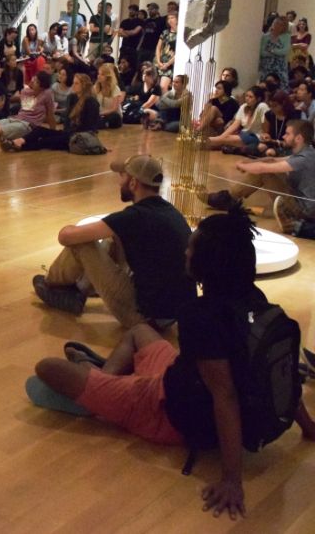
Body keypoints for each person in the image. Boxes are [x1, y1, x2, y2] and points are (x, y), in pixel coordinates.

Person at [31, 206, 315, 520]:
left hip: (167, 410)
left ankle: (103, 391)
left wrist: (232, 480)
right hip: (181, 376)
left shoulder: (202, 316)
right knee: (140, 330)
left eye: (192, 246)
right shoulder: (255, 299)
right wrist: (308, 426)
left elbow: (225, 396)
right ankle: (106, 380)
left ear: (207, 261)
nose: (186, 251)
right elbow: (279, 367)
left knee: (46, 368)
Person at [32, 154, 195, 327]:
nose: (119, 182)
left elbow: (65, 237)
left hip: (144, 317)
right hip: (171, 316)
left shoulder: (133, 217)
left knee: (81, 243)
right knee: (114, 239)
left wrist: (69, 228)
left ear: (133, 183)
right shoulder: (170, 212)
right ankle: (80, 289)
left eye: (122, 176)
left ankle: (52, 284)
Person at [203, 120, 315, 233]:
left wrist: (242, 165)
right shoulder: (308, 152)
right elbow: (272, 160)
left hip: (304, 212)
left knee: (265, 173)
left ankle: (227, 198)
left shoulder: (304, 159)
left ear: (299, 138)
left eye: (287, 134)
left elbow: (263, 169)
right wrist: (249, 163)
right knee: (267, 163)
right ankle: (228, 198)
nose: (283, 136)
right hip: (300, 202)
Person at [7, 72, 100, 152]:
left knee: (46, 141)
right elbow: (67, 121)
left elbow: (89, 127)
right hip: (69, 133)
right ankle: (19, 141)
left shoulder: (91, 102)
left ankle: (20, 147)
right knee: (39, 130)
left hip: (80, 137)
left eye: (76, 84)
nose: (73, 86)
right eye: (73, 83)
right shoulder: (73, 98)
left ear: (83, 86)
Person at [206, 86, 269, 152]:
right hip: (243, 134)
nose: (247, 98)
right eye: (246, 96)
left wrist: (221, 138)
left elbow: (266, 128)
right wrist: (222, 137)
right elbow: (235, 125)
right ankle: (202, 143)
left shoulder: (262, 106)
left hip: (256, 136)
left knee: (225, 139)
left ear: (258, 99)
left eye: (250, 97)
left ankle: (200, 142)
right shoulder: (244, 106)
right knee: (224, 139)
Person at [254, 90, 299, 156]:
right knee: (260, 147)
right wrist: (265, 136)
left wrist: (273, 141)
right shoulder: (269, 114)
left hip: (287, 145)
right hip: (271, 142)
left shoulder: (293, 116)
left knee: (269, 152)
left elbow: (291, 142)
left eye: (275, 106)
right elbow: (265, 132)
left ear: (283, 103)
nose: (272, 108)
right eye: (270, 106)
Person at [259, 15, 292, 82]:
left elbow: (284, 51)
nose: (277, 26)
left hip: (280, 67)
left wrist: (271, 50)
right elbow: (262, 52)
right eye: (275, 23)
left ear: (284, 27)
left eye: (280, 25)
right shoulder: (265, 37)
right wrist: (275, 54)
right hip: (266, 67)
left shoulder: (286, 36)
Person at [94, 63, 124, 129]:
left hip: (112, 114)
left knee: (113, 117)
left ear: (107, 77)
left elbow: (114, 108)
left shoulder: (115, 89)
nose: (99, 76)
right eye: (98, 74)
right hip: (100, 114)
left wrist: (101, 113)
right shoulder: (96, 88)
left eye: (102, 75)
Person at [138, 3, 164, 69]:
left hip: (154, 48)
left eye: (151, 9)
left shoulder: (161, 20)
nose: (149, 11)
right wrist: (139, 46)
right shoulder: (146, 21)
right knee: (141, 66)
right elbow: (143, 34)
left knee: (151, 67)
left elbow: (163, 36)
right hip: (144, 47)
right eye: (148, 9)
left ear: (157, 10)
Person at [155, 13, 177, 88]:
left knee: (163, 87)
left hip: (171, 63)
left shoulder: (180, 33)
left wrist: (168, 64)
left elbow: (179, 52)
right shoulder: (165, 32)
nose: (170, 20)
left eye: (172, 17)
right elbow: (158, 47)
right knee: (157, 88)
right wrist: (158, 61)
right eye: (168, 18)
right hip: (161, 62)